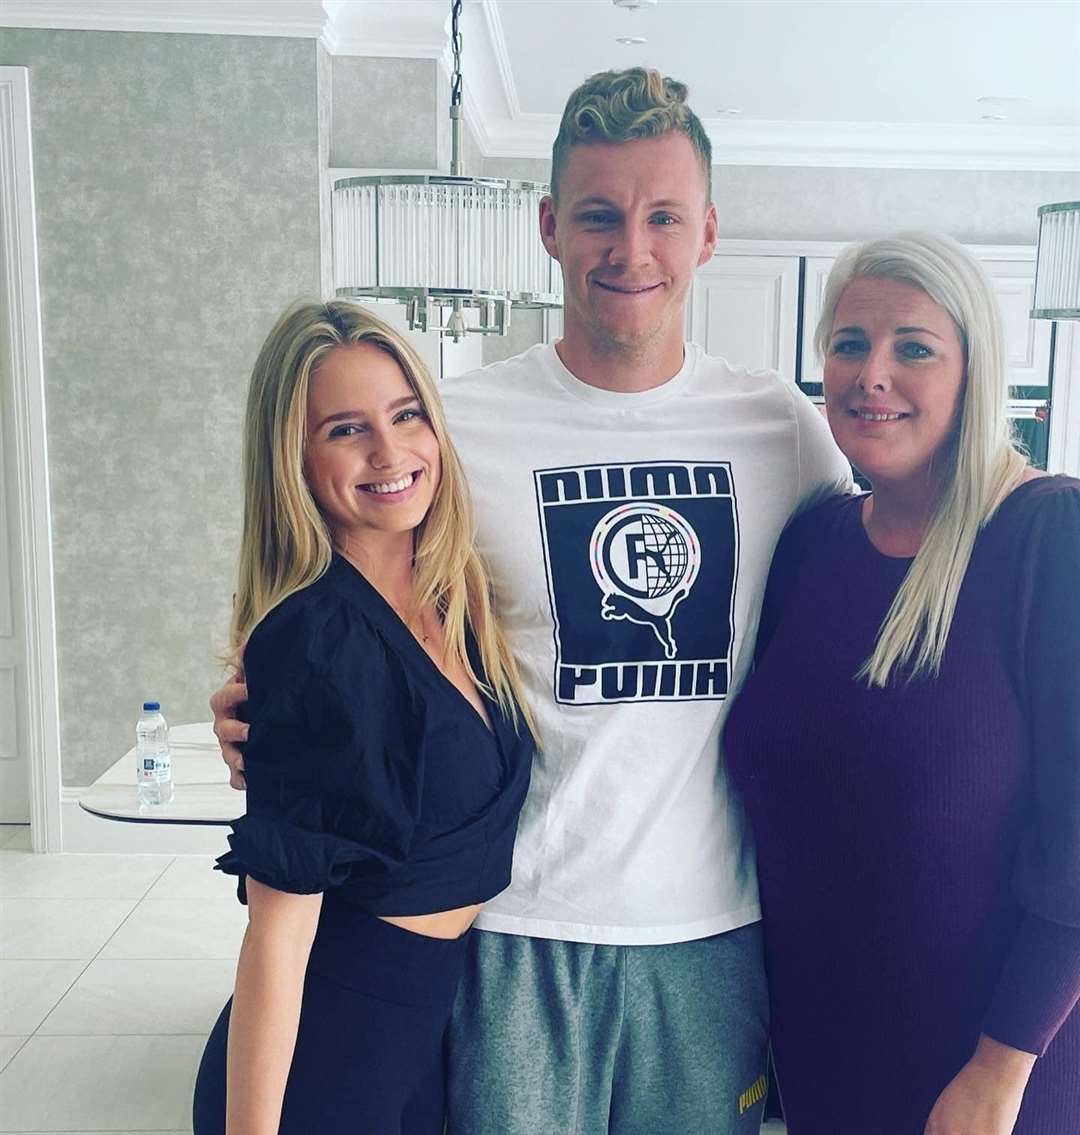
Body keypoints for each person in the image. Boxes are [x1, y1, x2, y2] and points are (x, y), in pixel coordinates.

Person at [213, 68, 852, 1134]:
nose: (630, 249)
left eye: (663, 218)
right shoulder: (453, 427)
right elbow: (337, 598)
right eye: (599, 215)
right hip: (512, 929)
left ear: (707, 235)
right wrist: (258, 702)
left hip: (710, 930)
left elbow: (886, 566)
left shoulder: (782, 428)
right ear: (551, 227)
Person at [724, 232, 1080, 1135]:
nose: (871, 373)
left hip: (986, 1075)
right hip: (819, 1054)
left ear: (973, 371)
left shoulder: (1046, 537)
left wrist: (1002, 1070)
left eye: (913, 347)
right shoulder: (813, 544)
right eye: (849, 344)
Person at [192, 300, 535, 1135]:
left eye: (406, 413)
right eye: (347, 429)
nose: (390, 452)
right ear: (296, 460)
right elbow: (277, 935)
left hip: (421, 1034)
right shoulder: (313, 638)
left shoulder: (460, 598)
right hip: (332, 1048)